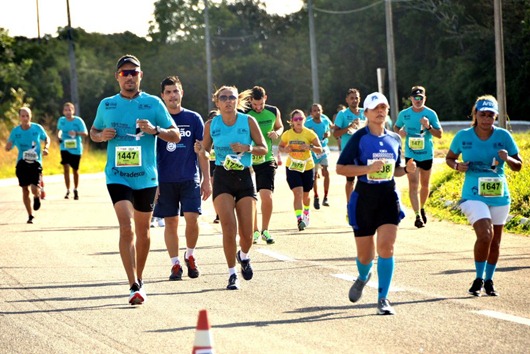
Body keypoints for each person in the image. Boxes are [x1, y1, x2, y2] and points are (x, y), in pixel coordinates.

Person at [89, 54, 180, 305]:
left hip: (146, 177)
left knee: (143, 230)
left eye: (134, 72)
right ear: (117, 76)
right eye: (124, 73)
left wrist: (155, 130)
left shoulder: (153, 103)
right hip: (117, 175)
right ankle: (133, 284)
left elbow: (175, 135)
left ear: (141, 76)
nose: (129, 77)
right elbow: (93, 131)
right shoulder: (107, 105)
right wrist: (100, 136)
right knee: (126, 225)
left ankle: (141, 277)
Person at [336, 92, 416, 315]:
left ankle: (383, 298)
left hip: (388, 197)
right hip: (364, 199)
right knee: (365, 256)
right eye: (376, 108)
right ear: (367, 113)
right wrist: (367, 169)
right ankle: (363, 276)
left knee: (386, 248)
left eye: (384, 108)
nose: (381, 111)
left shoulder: (394, 139)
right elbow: (341, 168)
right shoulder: (359, 138)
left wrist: (406, 170)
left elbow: (396, 170)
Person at [445, 95, 522, 297]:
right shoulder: (463, 136)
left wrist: (509, 158)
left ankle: (489, 280)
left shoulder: (504, 136)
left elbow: (518, 166)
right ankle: (478, 278)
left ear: (496, 116)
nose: (487, 119)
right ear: (475, 115)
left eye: (491, 115)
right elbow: (450, 158)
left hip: (499, 195)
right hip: (472, 194)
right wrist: (456, 166)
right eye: (482, 115)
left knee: (495, 242)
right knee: (485, 235)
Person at [196, 85, 267, 290]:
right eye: (224, 98)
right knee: (229, 228)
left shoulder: (248, 121)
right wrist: (201, 150)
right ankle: (231, 274)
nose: (228, 101)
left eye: (232, 97)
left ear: (237, 100)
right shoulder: (212, 124)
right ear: (217, 102)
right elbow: (207, 152)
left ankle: (243, 256)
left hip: (244, 178)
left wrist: (248, 148)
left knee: (247, 234)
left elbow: (263, 149)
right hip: (222, 178)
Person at [153, 76, 212, 281]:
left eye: (175, 91)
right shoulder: (158, 122)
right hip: (165, 180)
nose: (172, 95)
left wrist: (207, 180)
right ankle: (175, 264)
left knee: (192, 219)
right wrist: (154, 183)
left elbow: (201, 151)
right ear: (162, 96)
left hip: (189, 178)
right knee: (170, 223)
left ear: (181, 93)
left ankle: (190, 255)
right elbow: (151, 154)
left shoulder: (193, 118)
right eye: (168, 92)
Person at [394, 86, 443, 228]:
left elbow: (439, 134)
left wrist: (428, 127)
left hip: (427, 154)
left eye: (420, 98)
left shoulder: (431, 114)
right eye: (415, 98)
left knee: (425, 185)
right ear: (411, 99)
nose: (417, 100)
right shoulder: (404, 114)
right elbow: (396, 129)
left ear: (424, 99)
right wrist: (400, 133)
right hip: (411, 154)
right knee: (413, 185)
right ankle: (417, 216)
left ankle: (422, 208)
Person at [245, 86, 284, 245]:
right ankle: (254, 231)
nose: (258, 108)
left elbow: (280, 126)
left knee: (266, 195)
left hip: (267, 158)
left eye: (260, 104)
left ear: (265, 98)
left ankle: (265, 230)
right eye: (255, 105)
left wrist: (277, 133)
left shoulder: (273, 111)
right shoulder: (245, 113)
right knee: (251, 198)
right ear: (250, 102)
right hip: (248, 159)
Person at [278, 109, 322, 231]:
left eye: (301, 118)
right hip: (292, 167)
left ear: (304, 119)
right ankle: (299, 219)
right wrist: (285, 149)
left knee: (306, 195)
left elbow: (320, 149)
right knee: (298, 193)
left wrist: (310, 147)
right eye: (296, 119)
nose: (298, 121)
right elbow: (281, 147)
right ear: (292, 121)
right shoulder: (287, 134)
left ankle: (306, 212)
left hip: (307, 167)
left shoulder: (310, 134)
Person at [5, 107, 50, 224]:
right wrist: (8, 146)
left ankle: (37, 196)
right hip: (22, 163)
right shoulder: (16, 131)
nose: (25, 118)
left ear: (31, 116)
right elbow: (10, 143)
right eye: (23, 116)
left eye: (27, 116)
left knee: (34, 188)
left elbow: (47, 138)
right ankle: (30, 215)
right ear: (19, 117)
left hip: (35, 162)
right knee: (25, 190)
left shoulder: (37, 128)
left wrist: (46, 148)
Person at [333, 89, 366, 209]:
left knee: (365, 181)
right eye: (352, 98)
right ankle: (350, 205)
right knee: (350, 181)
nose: (354, 100)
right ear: (347, 100)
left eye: (356, 98)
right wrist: (349, 127)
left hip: (364, 152)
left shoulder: (365, 112)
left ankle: (363, 206)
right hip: (350, 152)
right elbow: (335, 134)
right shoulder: (342, 114)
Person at [57, 102, 88, 200]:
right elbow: (59, 131)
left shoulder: (78, 121)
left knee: (75, 170)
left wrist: (76, 132)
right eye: (66, 110)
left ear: (73, 111)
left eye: (69, 110)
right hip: (64, 147)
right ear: (63, 111)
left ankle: (76, 189)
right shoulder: (61, 120)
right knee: (65, 168)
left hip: (76, 149)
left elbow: (85, 133)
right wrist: (59, 137)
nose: (68, 112)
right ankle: (67, 190)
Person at [305, 103, 332, 209]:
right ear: (311, 113)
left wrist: (327, 134)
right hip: (313, 151)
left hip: (323, 149)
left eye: (319, 110)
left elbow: (328, 130)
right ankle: (316, 196)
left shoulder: (325, 121)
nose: (317, 112)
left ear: (322, 111)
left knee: (326, 171)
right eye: (315, 110)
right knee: (314, 175)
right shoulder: (307, 124)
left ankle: (326, 197)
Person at [206, 109, 220, 224]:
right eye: (212, 118)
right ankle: (218, 213)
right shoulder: (207, 131)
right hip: (211, 163)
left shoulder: (223, 130)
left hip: (223, 162)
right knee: (216, 188)